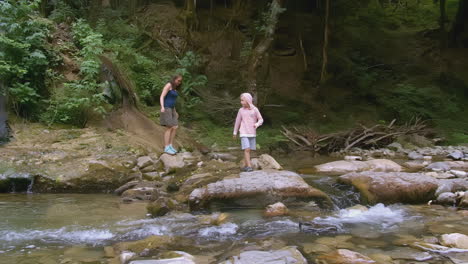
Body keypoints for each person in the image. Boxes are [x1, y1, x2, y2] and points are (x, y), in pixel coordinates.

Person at [233, 92, 263, 172]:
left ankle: (246, 166)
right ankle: (249, 167)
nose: (241, 102)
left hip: (252, 133)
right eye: (241, 100)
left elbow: (261, 119)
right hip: (243, 132)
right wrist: (235, 132)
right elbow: (237, 121)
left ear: (248, 100)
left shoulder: (255, 109)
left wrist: (257, 124)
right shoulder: (241, 110)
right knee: (247, 149)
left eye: (242, 100)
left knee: (249, 150)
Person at [160, 75, 182, 155]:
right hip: (166, 108)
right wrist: (162, 107)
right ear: (174, 79)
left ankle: (170, 145)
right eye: (178, 80)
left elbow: (173, 101)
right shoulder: (168, 85)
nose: (179, 82)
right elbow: (162, 96)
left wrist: (175, 111)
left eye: (180, 81)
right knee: (169, 127)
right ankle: (166, 147)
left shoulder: (174, 88)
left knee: (175, 127)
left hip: (172, 109)